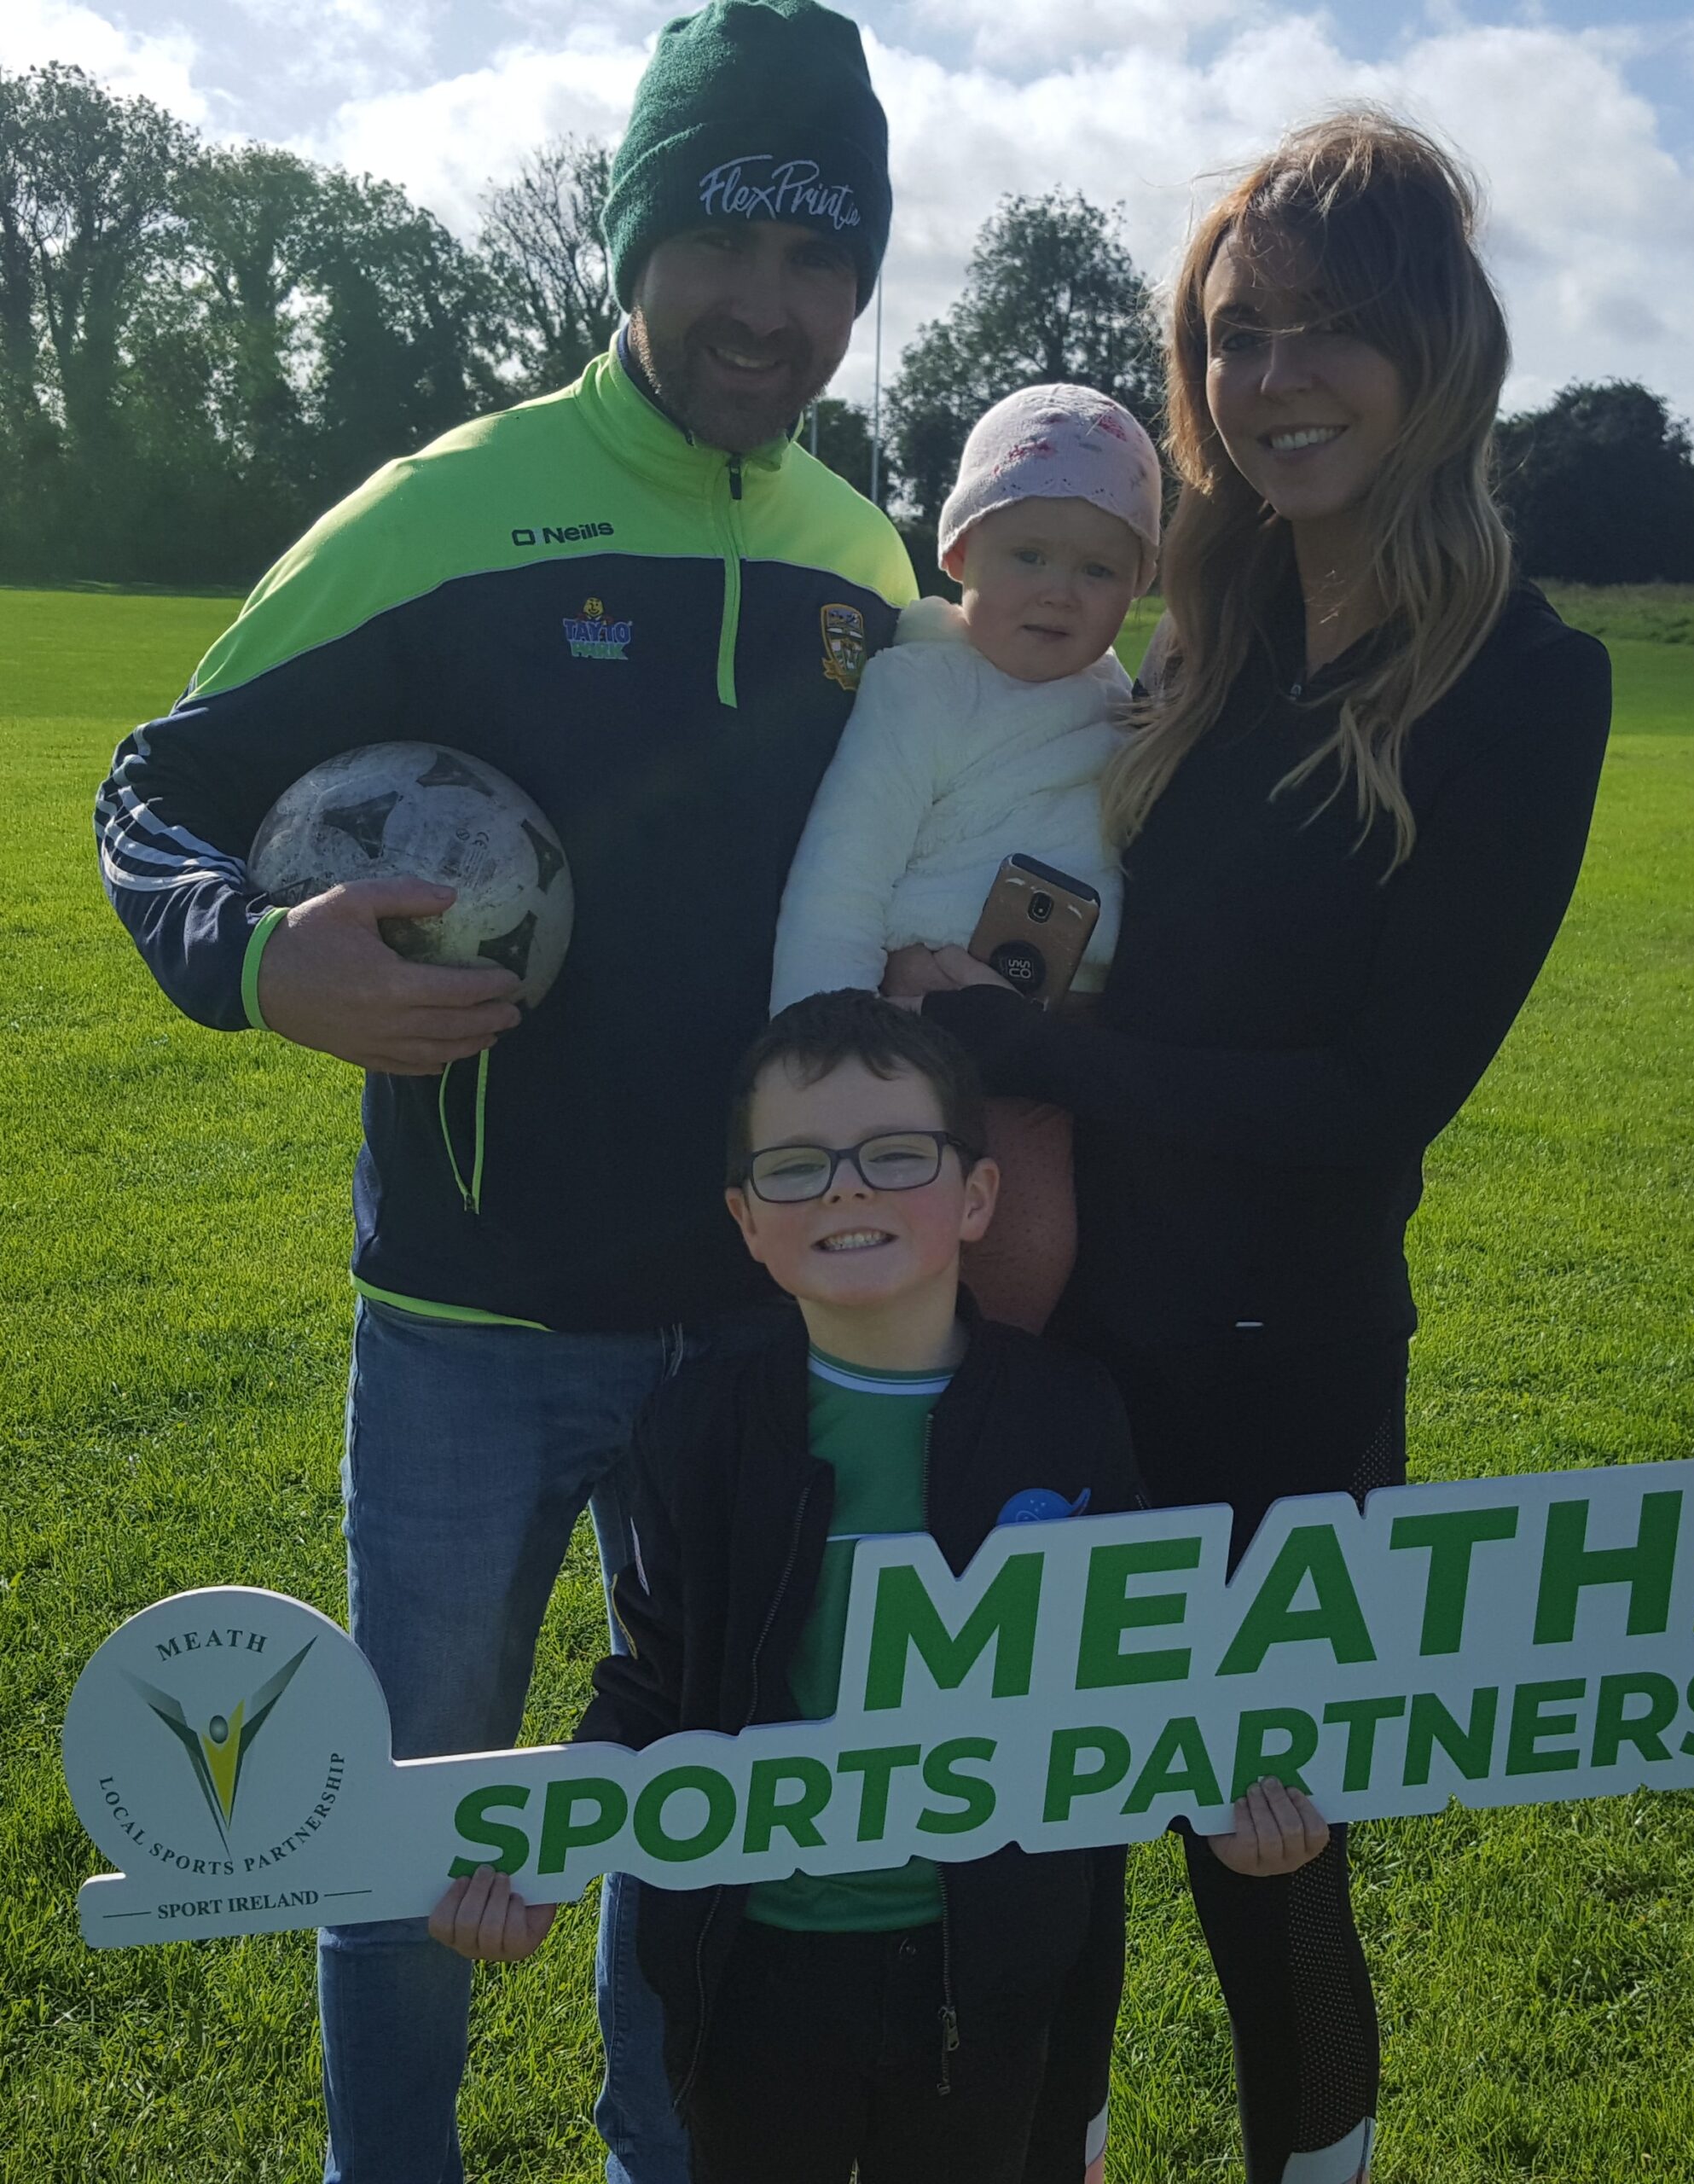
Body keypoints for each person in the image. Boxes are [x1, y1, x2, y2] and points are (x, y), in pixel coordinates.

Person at [90, 6, 911, 2176]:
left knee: (688, 1806)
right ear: (635, 245)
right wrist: (262, 958)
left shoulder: (866, 560)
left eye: (822, 258)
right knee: (410, 1808)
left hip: (755, 1324)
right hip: (466, 1321)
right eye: (724, 241)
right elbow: (164, 786)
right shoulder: (443, 513)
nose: (771, 305)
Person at [897, 112, 1615, 2184]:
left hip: (1285, 1367)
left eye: (1327, 332)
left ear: (1435, 351)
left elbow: (1377, 1097)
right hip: (1056, 1335)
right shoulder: (1177, 640)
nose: (1274, 379)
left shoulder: (1522, 683)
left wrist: (1047, 1046)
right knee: (1041, 1843)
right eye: (1234, 337)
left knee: (1268, 1849)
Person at [426, 991, 1332, 2183]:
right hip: (752, 1976)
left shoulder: (1066, 1416)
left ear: (975, 1197)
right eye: (797, 1168)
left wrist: (1226, 1812)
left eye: (893, 1155)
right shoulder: (699, 1431)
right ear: (747, 1221)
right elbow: (653, 1688)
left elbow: (1130, 1675)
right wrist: (537, 1856)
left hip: (992, 1970)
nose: (846, 1191)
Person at [769, 384, 1163, 1332]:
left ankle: (995, 1420)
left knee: (1039, 1255)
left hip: (1056, 1048)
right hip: (916, 1038)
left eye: (1099, 569)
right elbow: (841, 874)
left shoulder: (1119, 707)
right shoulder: (923, 690)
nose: (1060, 590)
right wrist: (816, 1055)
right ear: (957, 553)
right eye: (1027, 554)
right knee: (941, 1265)